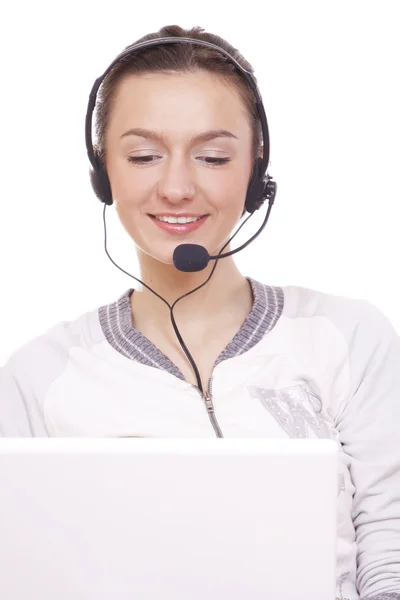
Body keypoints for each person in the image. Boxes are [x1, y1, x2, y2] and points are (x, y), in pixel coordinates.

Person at [1, 23, 399, 600]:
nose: (178, 187)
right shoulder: (37, 379)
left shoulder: (351, 337)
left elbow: (390, 547)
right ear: (102, 170)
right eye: (143, 155)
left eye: (213, 156)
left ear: (256, 168)